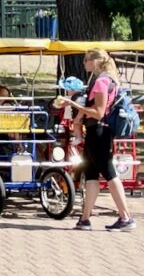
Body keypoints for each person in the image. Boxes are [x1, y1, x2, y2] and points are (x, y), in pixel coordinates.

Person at [58, 49, 135, 231]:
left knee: (109, 173)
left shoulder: (101, 82)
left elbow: (99, 112)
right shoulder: (107, 80)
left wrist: (72, 104)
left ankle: (125, 217)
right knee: (91, 174)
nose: (84, 64)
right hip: (96, 132)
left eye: (86, 60)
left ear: (95, 61)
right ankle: (85, 218)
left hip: (100, 131)